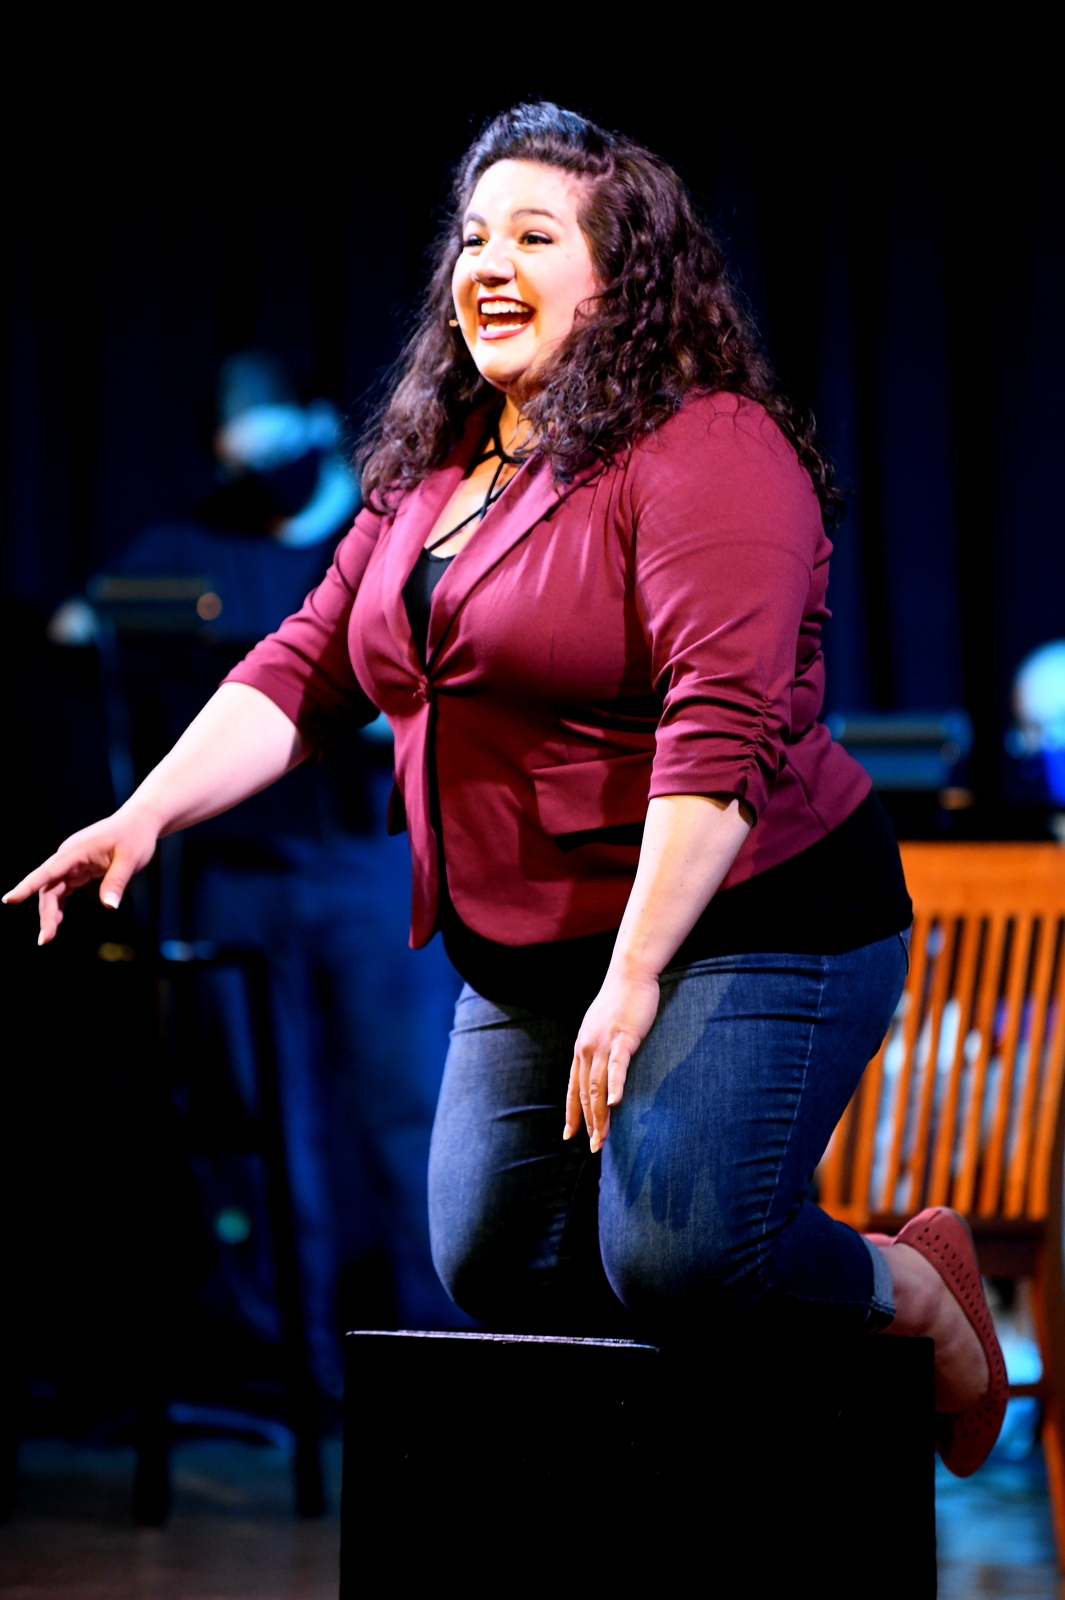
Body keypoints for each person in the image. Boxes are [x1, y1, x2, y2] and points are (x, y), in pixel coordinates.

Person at [6, 103, 1006, 1473]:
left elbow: (717, 728)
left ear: (625, 276)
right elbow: (309, 666)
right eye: (474, 235)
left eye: (536, 235)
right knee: (495, 1258)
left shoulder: (707, 450)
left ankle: (916, 1297)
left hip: (752, 917)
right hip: (533, 949)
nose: (489, 261)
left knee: (682, 1259)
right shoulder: (437, 472)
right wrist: (141, 816)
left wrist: (641, 971)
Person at [45, 351, 467, 1397]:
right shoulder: (198, 543)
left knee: (413, 1104)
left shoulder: (384, 535)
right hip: (242, 868)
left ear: (318, 427)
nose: (262, 472)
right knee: (260, 1117)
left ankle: (439, 1361)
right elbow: (78, 622)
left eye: (275, 450)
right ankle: (300, 1372)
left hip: (371, 860)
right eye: (244, 460)